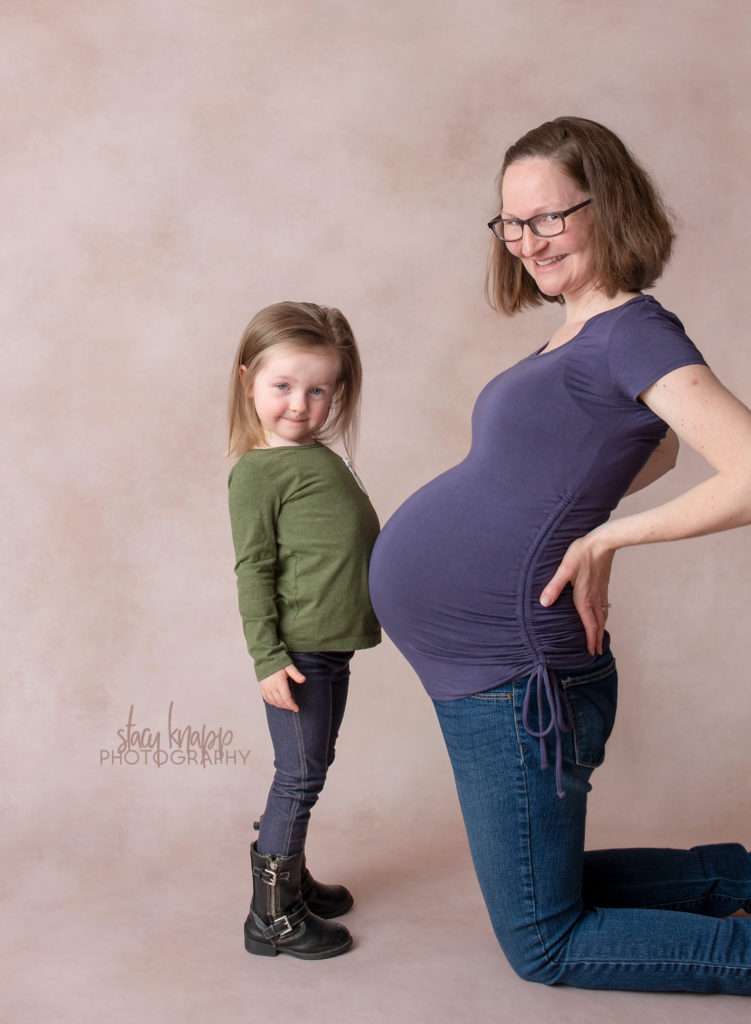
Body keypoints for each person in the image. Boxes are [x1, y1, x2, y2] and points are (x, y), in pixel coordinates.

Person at [368, 116, 751, 994]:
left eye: (549, 218)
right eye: (509, 222)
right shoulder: (579, 335)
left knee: (545, 942)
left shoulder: (631, 331)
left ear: (605, 205)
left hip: (518, 676)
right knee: (548, 894)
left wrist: (608, 535)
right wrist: (591, 506)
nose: (526, 242)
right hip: (486, 669)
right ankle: (734, 875)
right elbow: (637, 448)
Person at [226, 301, 381, 959]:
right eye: (283, 385)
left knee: (310, 767)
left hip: (331, 647)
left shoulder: (314, 456)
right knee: (299, 773)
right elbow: (252, 570)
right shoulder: (259, 472)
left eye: (319, 389)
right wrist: (266, 657)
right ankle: (272, 917)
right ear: (247, 382)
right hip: (299, 653)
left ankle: (289, 879)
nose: (300, 403)